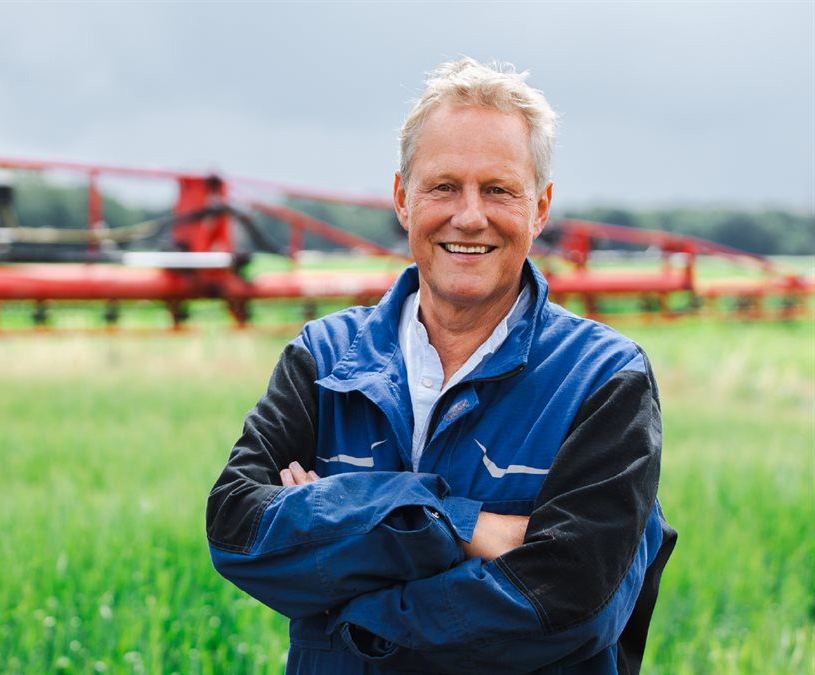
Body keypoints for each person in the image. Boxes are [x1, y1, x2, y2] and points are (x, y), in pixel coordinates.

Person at [206, 57, 676, 674]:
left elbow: (571, 603)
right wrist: (464, 527)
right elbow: (236, 530)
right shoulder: (323, 357)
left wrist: (349, 579)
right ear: (403, 199)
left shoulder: (603, 380)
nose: (470, 216)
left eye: (499, 189)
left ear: (540, 207)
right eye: (444, 186)